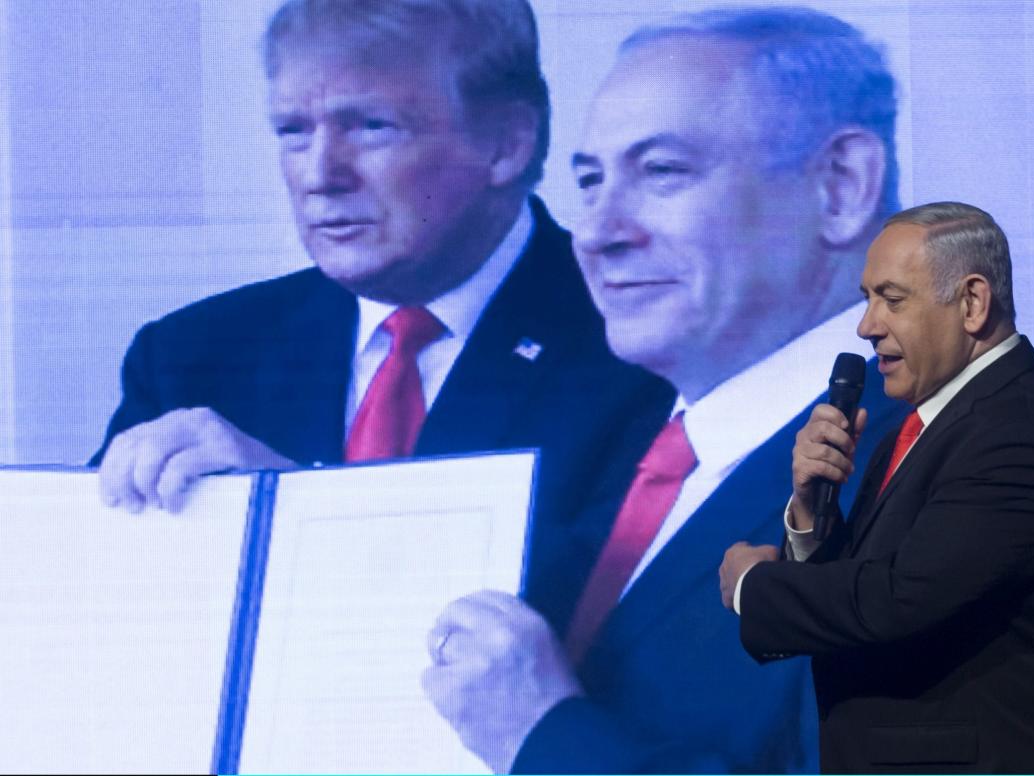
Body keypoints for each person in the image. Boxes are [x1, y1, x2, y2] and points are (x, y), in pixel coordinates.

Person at [421, 8, 907, 773]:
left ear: (841, 186)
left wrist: (542, 738)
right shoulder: (628, 453)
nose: (597, 231)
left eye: (661, 172)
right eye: (590, 181)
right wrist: (267, 496)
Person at [91, 0, 668, 531]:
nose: (320, 175)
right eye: (294, 132)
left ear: (506, 144)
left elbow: (586, 623)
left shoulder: (643, 348)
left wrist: (289, 507)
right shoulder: (190, 361)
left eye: (371, 126)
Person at [720, 202, 1034, 773]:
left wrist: (751, 586)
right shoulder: (919, 428)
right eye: (866, 298)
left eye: (892, 299)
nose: (866, 325)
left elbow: (895, 600)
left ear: (972, 303)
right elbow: (866, 587)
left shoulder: (1021, 434)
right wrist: (810, 514)